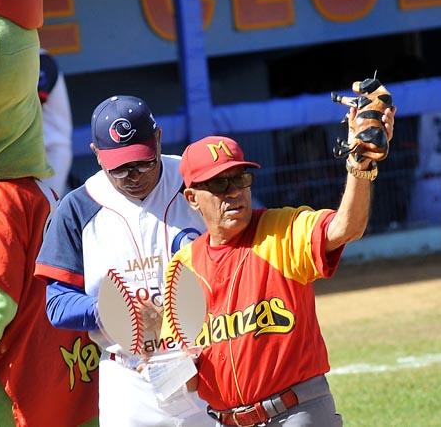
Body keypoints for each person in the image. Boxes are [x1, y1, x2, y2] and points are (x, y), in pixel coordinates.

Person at [166, 100, 395, 427]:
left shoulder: (282, 230)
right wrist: (159, 362)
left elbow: (347, 228)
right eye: (219, 183)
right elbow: (184, 382)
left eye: (240, 178)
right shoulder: (182, 267)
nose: (234, 192)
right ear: (191, 198)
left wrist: (359, 166)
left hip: (296, 412)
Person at [36, 95, 213, 426]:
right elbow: (57, 304)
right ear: (96, 154)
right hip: (129, 378)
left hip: (206, 362)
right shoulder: (78, 208)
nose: (133, 175)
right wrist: (113, 311)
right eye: (120, 167)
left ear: (158, 139)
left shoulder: (197, 180)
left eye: (143, 162)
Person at [38, 49, 73, 197]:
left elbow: (25, 107)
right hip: (26, 153)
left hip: (51, 152)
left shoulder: (41, 59)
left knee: (45, 216)